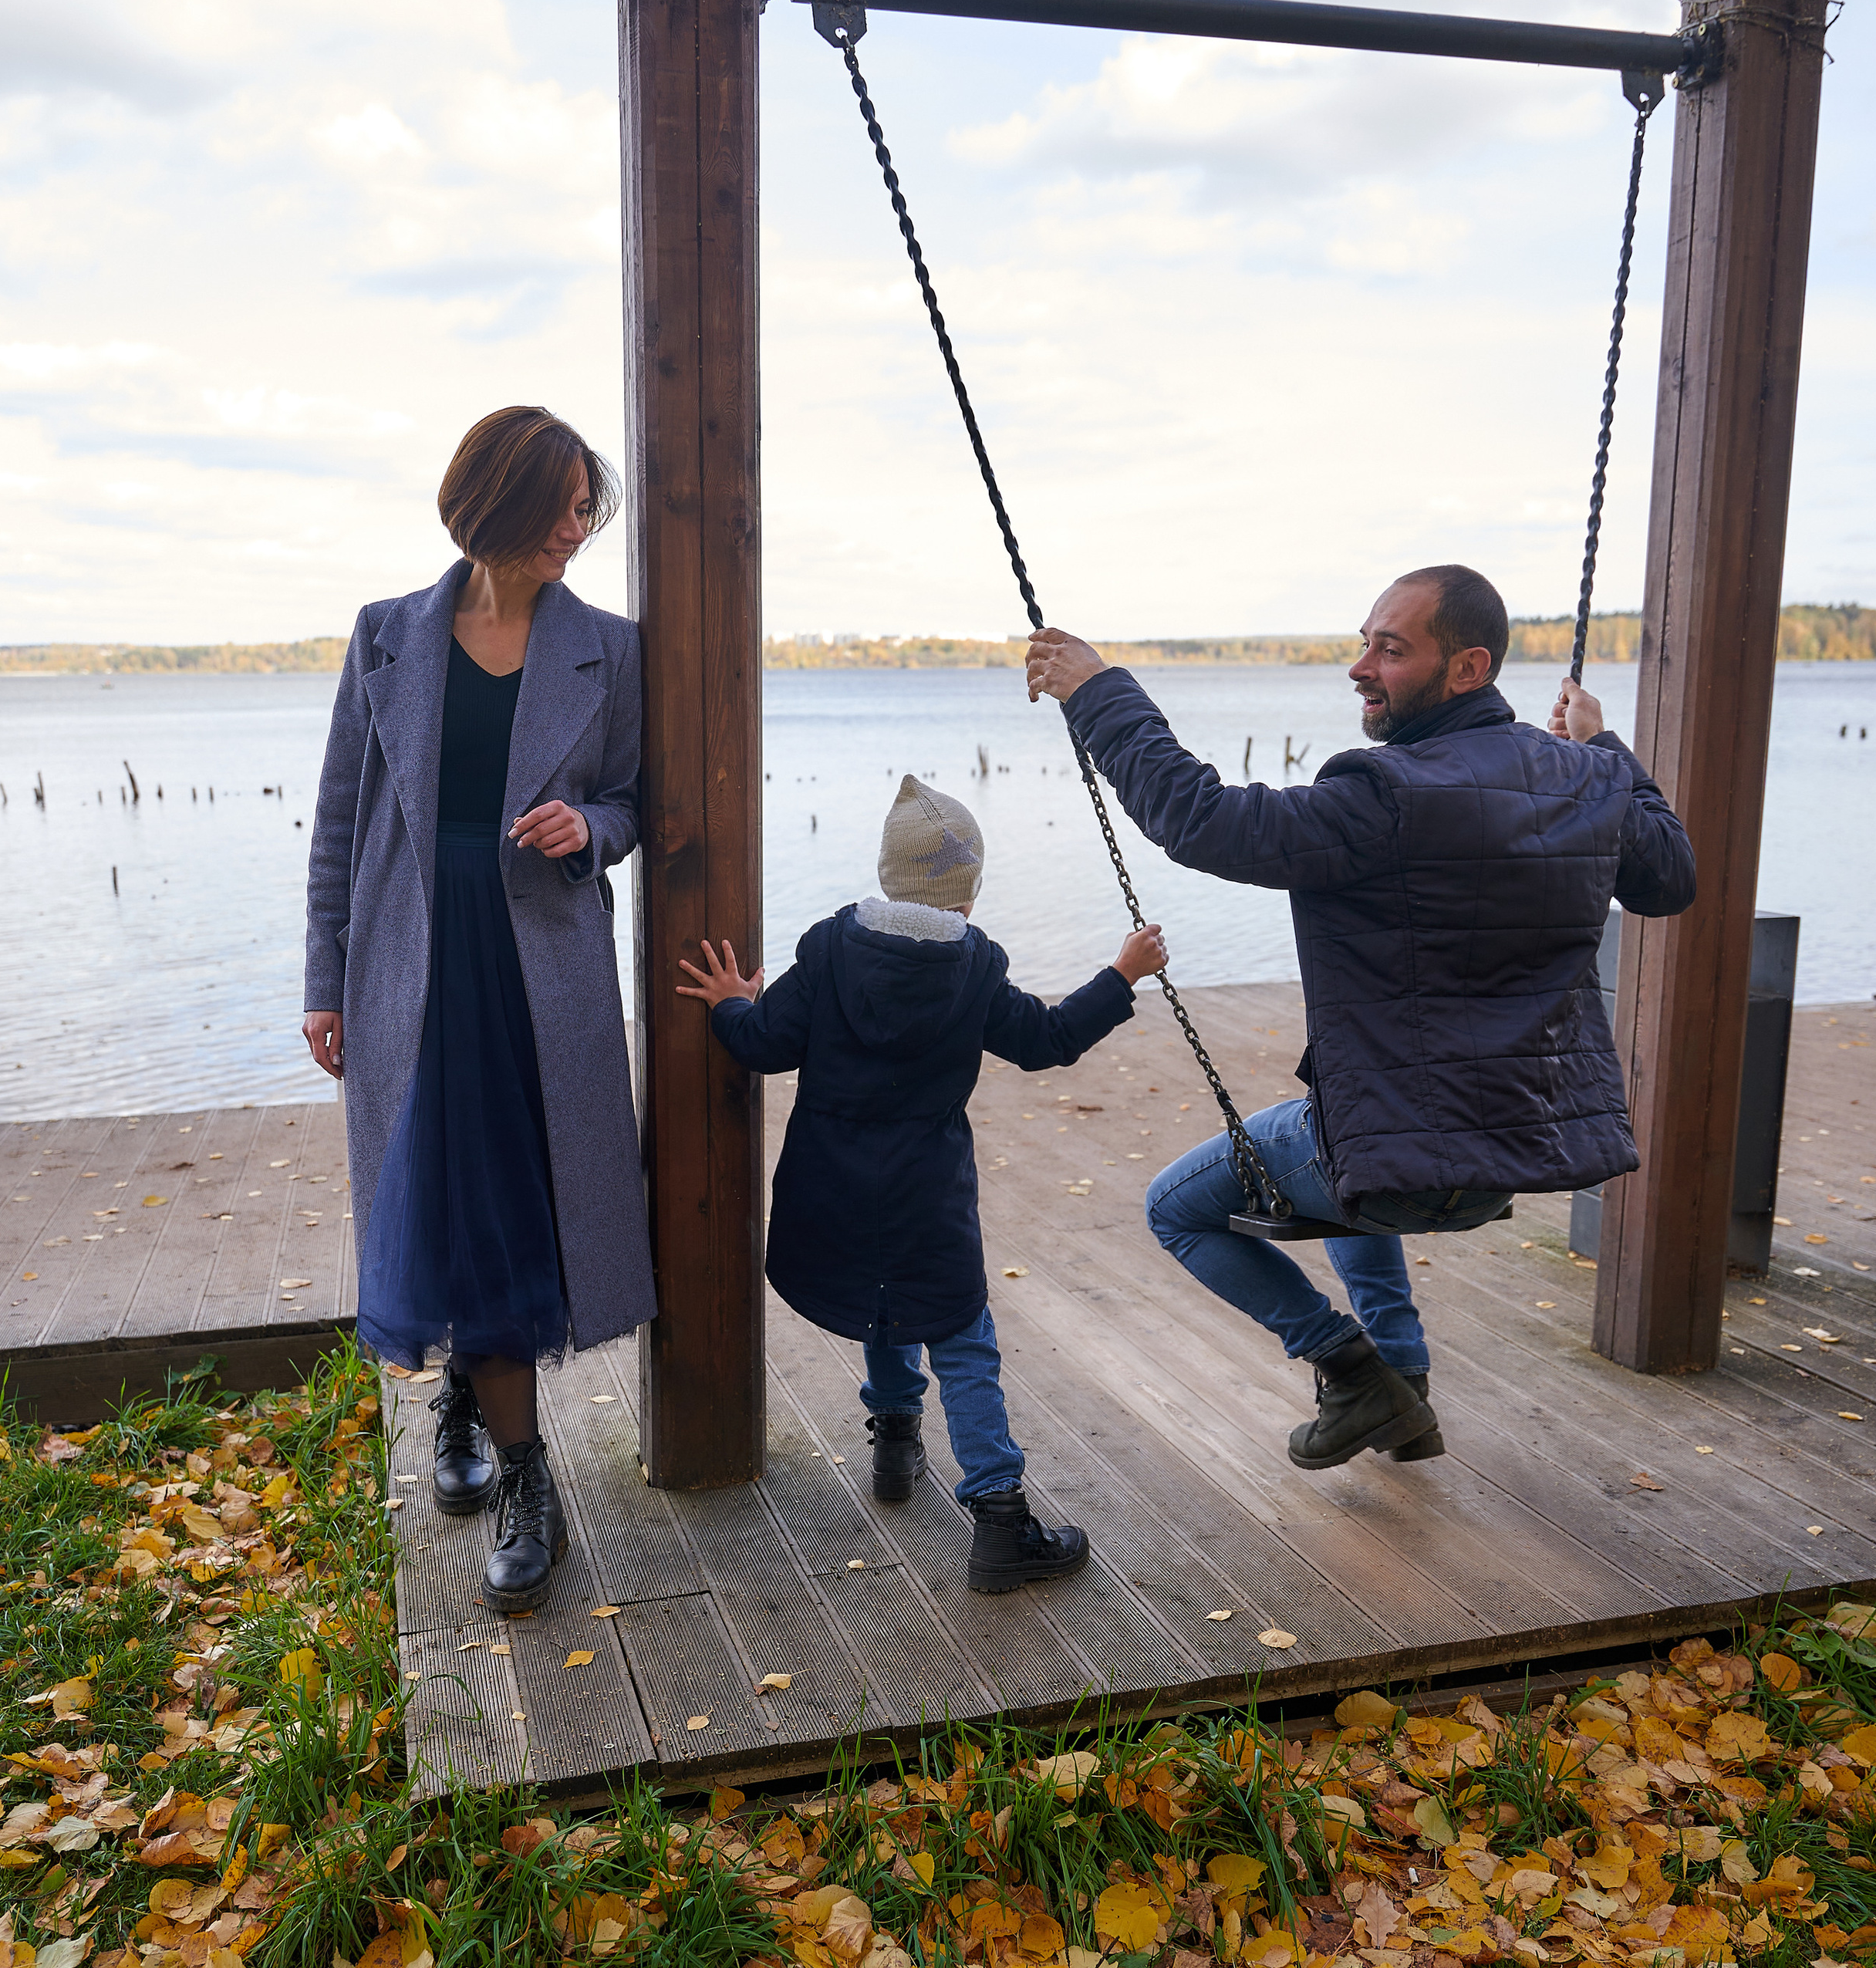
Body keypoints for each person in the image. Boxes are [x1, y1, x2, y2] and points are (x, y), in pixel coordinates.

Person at [1023, 566, 1696, 1471]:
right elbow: (1670, 876)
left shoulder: (1387, 797)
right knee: (1342, 1140)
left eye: (1390, 648)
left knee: (1177, 1209)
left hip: (1407, 1157)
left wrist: (1100, 693)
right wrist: (1607, 747)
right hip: (1512, 1152)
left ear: (1467, 668)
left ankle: (1347, 1368)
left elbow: (1202, 821)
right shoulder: (1585, 780)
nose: (1360, 666)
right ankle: (1404, 1388)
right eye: (1363, 642)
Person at [303, 405, 656, 1609]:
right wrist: (322, 980)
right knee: (437, 1189)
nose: (578, 526)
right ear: (495, 503)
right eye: (560, 503)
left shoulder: (609, 647)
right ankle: (469, 1396)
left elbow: (638, 798)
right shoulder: (388, 635)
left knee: (512, 1198)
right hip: (406, 962)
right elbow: (341, 822)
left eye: (583, 506)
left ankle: (520, 1468)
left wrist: (590, 831)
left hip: (535, 967)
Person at [676, 775, 1168, 1592]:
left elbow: (764, 1043)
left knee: (881, 1295)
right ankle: (1001, 1518)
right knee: (960, 1334)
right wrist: (1119, 976)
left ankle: (897, 1438)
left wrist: (731, 1005)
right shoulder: (974, 968)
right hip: (926, 1193)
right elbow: (1046, 1041)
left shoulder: (831, 947)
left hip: (828, 1184)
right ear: (967, 888)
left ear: (885, 873)